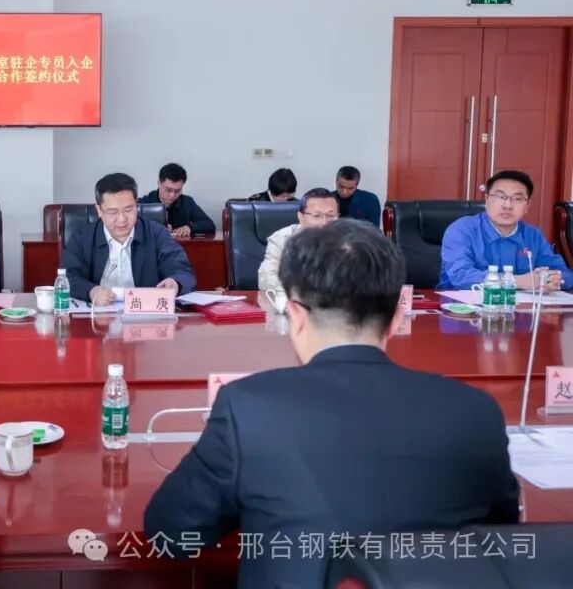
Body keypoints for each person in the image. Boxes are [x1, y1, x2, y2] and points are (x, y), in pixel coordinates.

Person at [144, 220, 519, 588]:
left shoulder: (249, 408)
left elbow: (171, 532)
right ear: (397, 317)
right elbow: (502, 537)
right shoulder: (476, 411)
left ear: (295, 314)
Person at [63, 173, 196, 305]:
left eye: (128, 210)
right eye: (113, 212)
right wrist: (91, 291)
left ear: (136, 205)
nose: (122, 219)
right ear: (99, 210)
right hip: (99, 312)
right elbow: (68, 276)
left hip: (146, 312)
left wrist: (175, 283)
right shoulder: (83, 236)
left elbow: (183, 272)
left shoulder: (157, 233)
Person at [439, 169, 573, 291]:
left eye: (517, 199)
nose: (507, 205)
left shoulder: (533, 235)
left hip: (520, 307)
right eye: (500, 197)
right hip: (462, 306)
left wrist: (550, 279)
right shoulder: (462, 230)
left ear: (527, 206)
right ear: (487, 199)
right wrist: (518, 281)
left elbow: (565, 275)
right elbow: (460, 276)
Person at [257, 188, 339, 294]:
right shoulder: (282, 239)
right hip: (294, 300)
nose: (324, 222)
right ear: (301, 217)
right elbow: (265, 280)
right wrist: (303, 289)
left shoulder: (348, 242)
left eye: (331, 216)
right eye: (317, 216)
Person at [139, 162, 216, 238]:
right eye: (168, 190)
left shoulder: (187, 202)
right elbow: (134, 227)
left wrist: (189, 227)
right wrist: (156, 227)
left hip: (180, 245)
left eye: (177, 191)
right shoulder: (143, 203)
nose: (172, 195)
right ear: (159, 183)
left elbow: (209, 224)